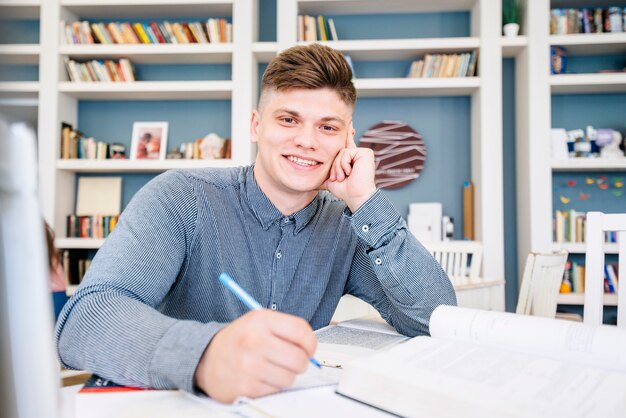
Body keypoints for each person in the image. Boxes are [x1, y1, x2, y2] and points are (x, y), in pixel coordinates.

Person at [55, 44, 456, 403]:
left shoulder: (348, 225)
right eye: (288, 120)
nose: (307, 141)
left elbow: (435, 317)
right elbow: (84, 319)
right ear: (255, 126)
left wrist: (365, 201)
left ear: (348, 140)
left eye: (328, 127)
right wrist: (205, 355)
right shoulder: (180, 197)